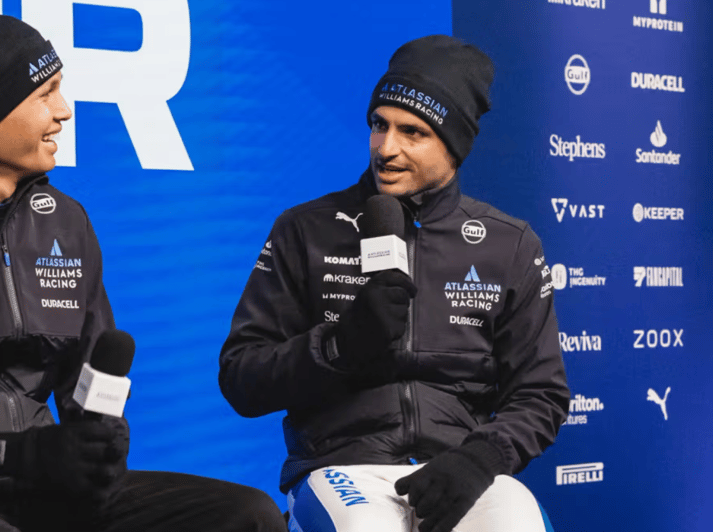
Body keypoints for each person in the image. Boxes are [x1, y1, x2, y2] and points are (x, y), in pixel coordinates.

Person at [0, 9, 286, 532]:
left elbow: (85, 383)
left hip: (48, 491)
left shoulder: (66, 223)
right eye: (46, 93)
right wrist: (13, 454)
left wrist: (98, 442)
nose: (64, 111)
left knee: (246, 516)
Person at [219, 35, 570, 532]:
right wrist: (340, 346)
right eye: (379, 125)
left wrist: (480, 458)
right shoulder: (305, 229)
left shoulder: (508, 244)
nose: (387, 149)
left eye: (413, 133)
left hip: (460, 471)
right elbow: (240, 378)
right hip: (341, 468)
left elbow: (541, 393)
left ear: (455, 146)